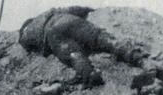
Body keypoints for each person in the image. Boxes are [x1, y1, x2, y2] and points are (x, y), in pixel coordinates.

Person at [18, 6, 151, 87]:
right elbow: (73, 9)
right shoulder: (48, 13)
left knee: (74, 55)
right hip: (68, 19)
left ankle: (91, 77)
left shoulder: (25, 33)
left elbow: (32, 47)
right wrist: (87, 9)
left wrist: (44, 49)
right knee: (102, 39)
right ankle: (137, 57)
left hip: (52, 33)